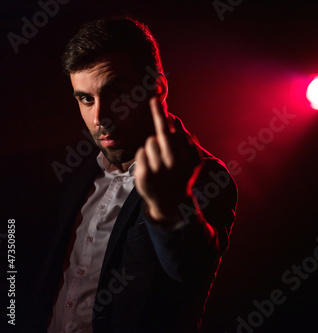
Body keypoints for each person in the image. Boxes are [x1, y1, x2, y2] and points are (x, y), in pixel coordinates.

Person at [30, 17, 237, 333]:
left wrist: (168, 207)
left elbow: (191, 268)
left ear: (157, 87)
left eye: (117, 93)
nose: (99, 116)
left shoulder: (205, 176)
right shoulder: (75, 172)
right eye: (86, 98)